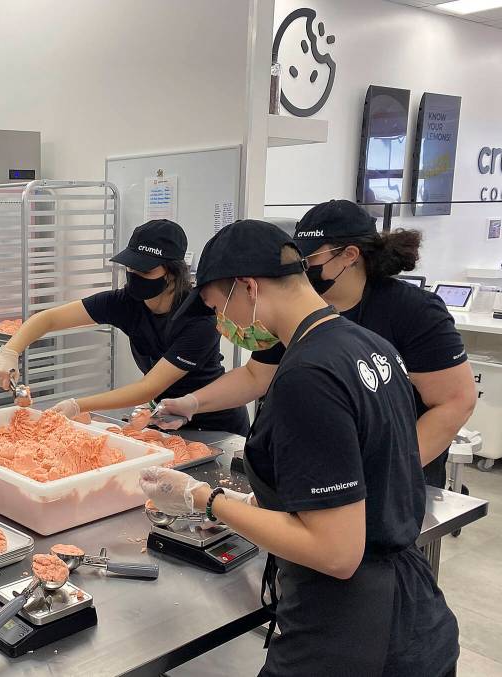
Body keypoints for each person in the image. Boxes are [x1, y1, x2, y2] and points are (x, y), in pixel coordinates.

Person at [141, 219, 459, 676]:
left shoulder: (307, 376)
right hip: (415, 615)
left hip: (351, 631)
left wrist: (205, 499)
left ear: (247, 287)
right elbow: (364, 466)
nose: (221, 324)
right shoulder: (367, 345)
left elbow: (336, 552)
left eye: (216, 308)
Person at [150, 200, 474, 489]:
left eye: (310, 257)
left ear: (350, 255)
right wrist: (193, 403)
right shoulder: (301, 312)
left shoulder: (411, 311)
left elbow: (455, 401)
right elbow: (256, 376)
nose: (301, 267)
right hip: (326, 474)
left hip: (397, 471)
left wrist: (388, 470)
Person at [0, 220, 249, 435]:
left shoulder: (199, 318)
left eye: (144, 272)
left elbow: (149, 388)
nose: (134, 277)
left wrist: (77, 404)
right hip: (164, 417)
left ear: (172, 273)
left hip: (214, 424)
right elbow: (47, 319)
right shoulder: (126, 302)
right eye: (130, 268)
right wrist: (11, 350)